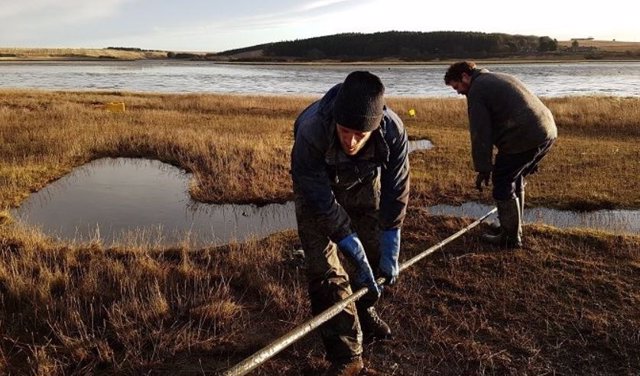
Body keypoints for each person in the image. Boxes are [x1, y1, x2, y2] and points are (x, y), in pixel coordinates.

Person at [291, 71, 410, 374]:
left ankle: (363, 307)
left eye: (361, 134)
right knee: (324, 269)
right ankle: (345, 355)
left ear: (376, 126)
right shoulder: (311, 128)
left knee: (373, 254)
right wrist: (343, 234)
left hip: (362, 180)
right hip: (316, 187)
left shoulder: (393, 130)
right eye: (345, 131)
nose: (351, 141)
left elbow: (396, 189)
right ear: (335, 122)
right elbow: (316, 193)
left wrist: (391, 236)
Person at [444, 61, 557, 248]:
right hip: (547, 132)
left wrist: (483, 168)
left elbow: (481, 132)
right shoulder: (498, 77)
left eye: (457, 86)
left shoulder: (477, 90)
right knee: (514, 176)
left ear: (465, 76)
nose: (458, 92)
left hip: (525, 136)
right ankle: (512, 227)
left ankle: (510, 238)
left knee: (503, 181)